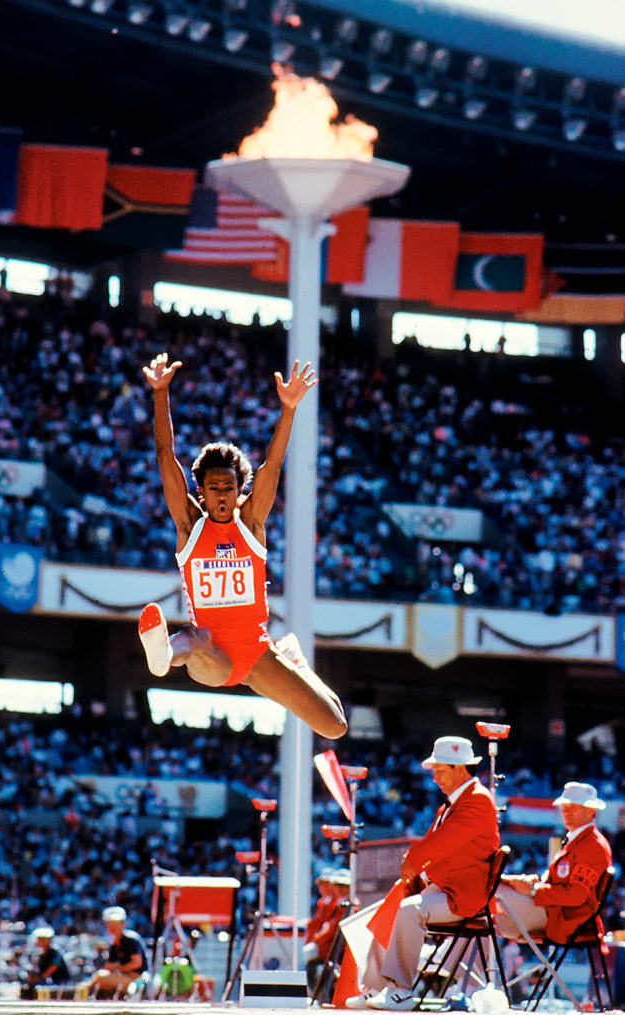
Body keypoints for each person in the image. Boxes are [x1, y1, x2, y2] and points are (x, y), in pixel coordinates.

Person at [138, 352, 347, 740]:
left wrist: (288, 410)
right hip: (212, 652)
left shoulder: (250, 524)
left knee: (334, 725)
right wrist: (160, 393)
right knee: (195, 643)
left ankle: (293, 659)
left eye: (228, 488)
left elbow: (272, 465)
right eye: (213, 488)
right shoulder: (189, 526)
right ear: (200, 490)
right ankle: (163, 652)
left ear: (239, 490)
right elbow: (166, 457)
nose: (220, 495)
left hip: (256, 652)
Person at [347, 736, 499, 1011]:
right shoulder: (454, 803)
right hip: (445, 887)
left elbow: (443, 843)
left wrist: (413, 863)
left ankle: (401, 991)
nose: (435, 778)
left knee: (408, 909)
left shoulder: (476, 799)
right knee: (392, 904)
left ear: (460, 768)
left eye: (440, 771)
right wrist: (416, 875)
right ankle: (376, 988)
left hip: (464, 896)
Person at [495, 781, 612, 944]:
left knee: (492, 896)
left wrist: (534, 891)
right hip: (554, 912)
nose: (566, 812)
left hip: (563, 920)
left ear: (590, 811)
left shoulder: (593, 845)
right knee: (491, 902)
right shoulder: (578, 840)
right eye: (564, 807)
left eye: (573, 807)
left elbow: (575, 896)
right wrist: (526, 883)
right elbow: (554, 881)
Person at [304, 870, 351, 991]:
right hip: (330, 946)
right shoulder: (329, 902)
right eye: (337, 885)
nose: (339, 889)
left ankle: (316, 991)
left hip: (339, 949)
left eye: (344, 886)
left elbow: (332, 929)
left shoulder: (348, 904)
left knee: (311, 953)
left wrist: (316, 941)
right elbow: (316, 924)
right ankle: (315, 991)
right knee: (311, 954)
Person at [88, 906, 147, 999]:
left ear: (123, 924)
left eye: (115, 923)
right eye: (109, 923)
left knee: (101, 977)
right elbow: (109, 965)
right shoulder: (115, 943)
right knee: (100, 976)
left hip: (138, 979)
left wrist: (117, 968)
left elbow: (137, 963)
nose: (112, 927)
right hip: (124, 977)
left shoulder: (130, 939)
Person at [20, 927, 70, 999]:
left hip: (60, 984)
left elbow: (52, 968)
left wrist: (39, 978)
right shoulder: (40, 954)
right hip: (49, 982)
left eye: (41, 939)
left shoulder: (55, 953)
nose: (38, 941)